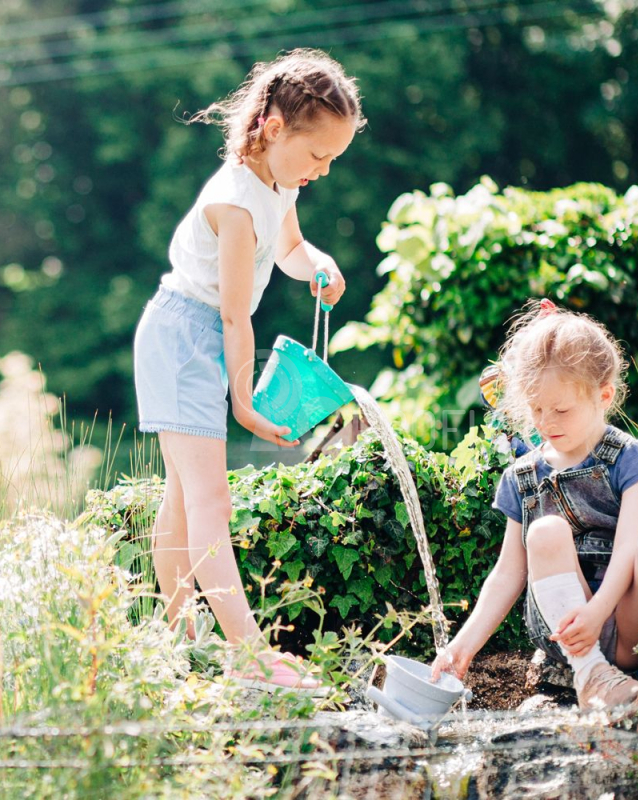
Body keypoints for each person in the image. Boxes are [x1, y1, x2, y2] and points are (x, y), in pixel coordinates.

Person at [133, 49, 364, 693]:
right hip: (185, 337)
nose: (323, 169)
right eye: (318, 154)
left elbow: (287, 246)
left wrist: (318, 262)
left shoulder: (278, 186)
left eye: (333, 160)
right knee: (211, 497)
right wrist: (243, 401)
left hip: (197, 333)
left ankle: (180, 638)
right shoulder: (235, 203)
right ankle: (249, 653)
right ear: (272, 126)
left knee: (184, 496)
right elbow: (237, 319)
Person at [432, 299, 638, 731]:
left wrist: (599, 610)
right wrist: (462, 647)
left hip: (628, 622)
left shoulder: (630, 459)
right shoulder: (523, 476)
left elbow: (629, 547)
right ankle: (592, 678)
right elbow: (507, 574)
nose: (546, 422)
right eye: (535, 410)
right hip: (569, 636)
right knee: (545, 532)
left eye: (561, 409)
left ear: (603, 395)